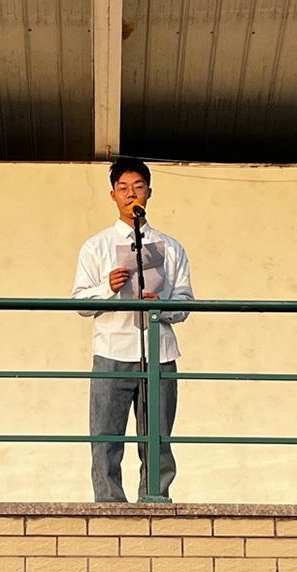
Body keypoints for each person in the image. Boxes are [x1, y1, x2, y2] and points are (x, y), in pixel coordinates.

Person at [71, 157, 194, 502]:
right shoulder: (96, 245)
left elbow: (185, 301)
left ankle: (155, 500)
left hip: (159, 352)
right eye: (123, 188)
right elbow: (79, 302)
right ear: (112, 195)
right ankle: (108, 505)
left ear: (149, 192)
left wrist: (161, 303)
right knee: (105, 438)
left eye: (138, 186)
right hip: (112, 350)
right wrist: (107, 288)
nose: (131, 194)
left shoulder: (171, 247)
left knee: (157, 438)